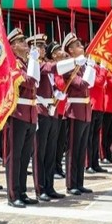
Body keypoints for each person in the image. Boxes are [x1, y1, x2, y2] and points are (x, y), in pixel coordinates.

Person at [3, 29, 40, 207]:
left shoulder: (25, 63)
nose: (25, 43)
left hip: (30, 114)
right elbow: (29, 82)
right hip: (17, 114)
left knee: (25, 156)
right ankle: (13, 194)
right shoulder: (12, 64)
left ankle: (22, 192)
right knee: (14, 156)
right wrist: (33, 61)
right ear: (12, 46)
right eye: (21, 41)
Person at [55, 33, 94, 195]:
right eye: (78, 45)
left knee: (81, 149)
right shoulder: (69, 67)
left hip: (85, 111)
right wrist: (90, 68)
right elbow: (81, 84)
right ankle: (71, 184)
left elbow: (90, 84)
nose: (82, 46)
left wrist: (89, 67)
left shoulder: (83, 66)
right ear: (70, 50)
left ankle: (79, 182)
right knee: (72, 149)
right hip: (74, 111)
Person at [35, 41, 66, 201]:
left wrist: (57, 94)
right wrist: (72, 61)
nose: (41, 49)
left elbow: (53, 84)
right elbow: (51, 68)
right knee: (40, 152)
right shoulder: (37, 65)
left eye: (42, 46)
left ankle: (49, 186)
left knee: (50, 151)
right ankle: (40, 188)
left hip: (51, 110)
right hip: (40, 109)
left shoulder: (46, 66)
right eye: (38, 46)